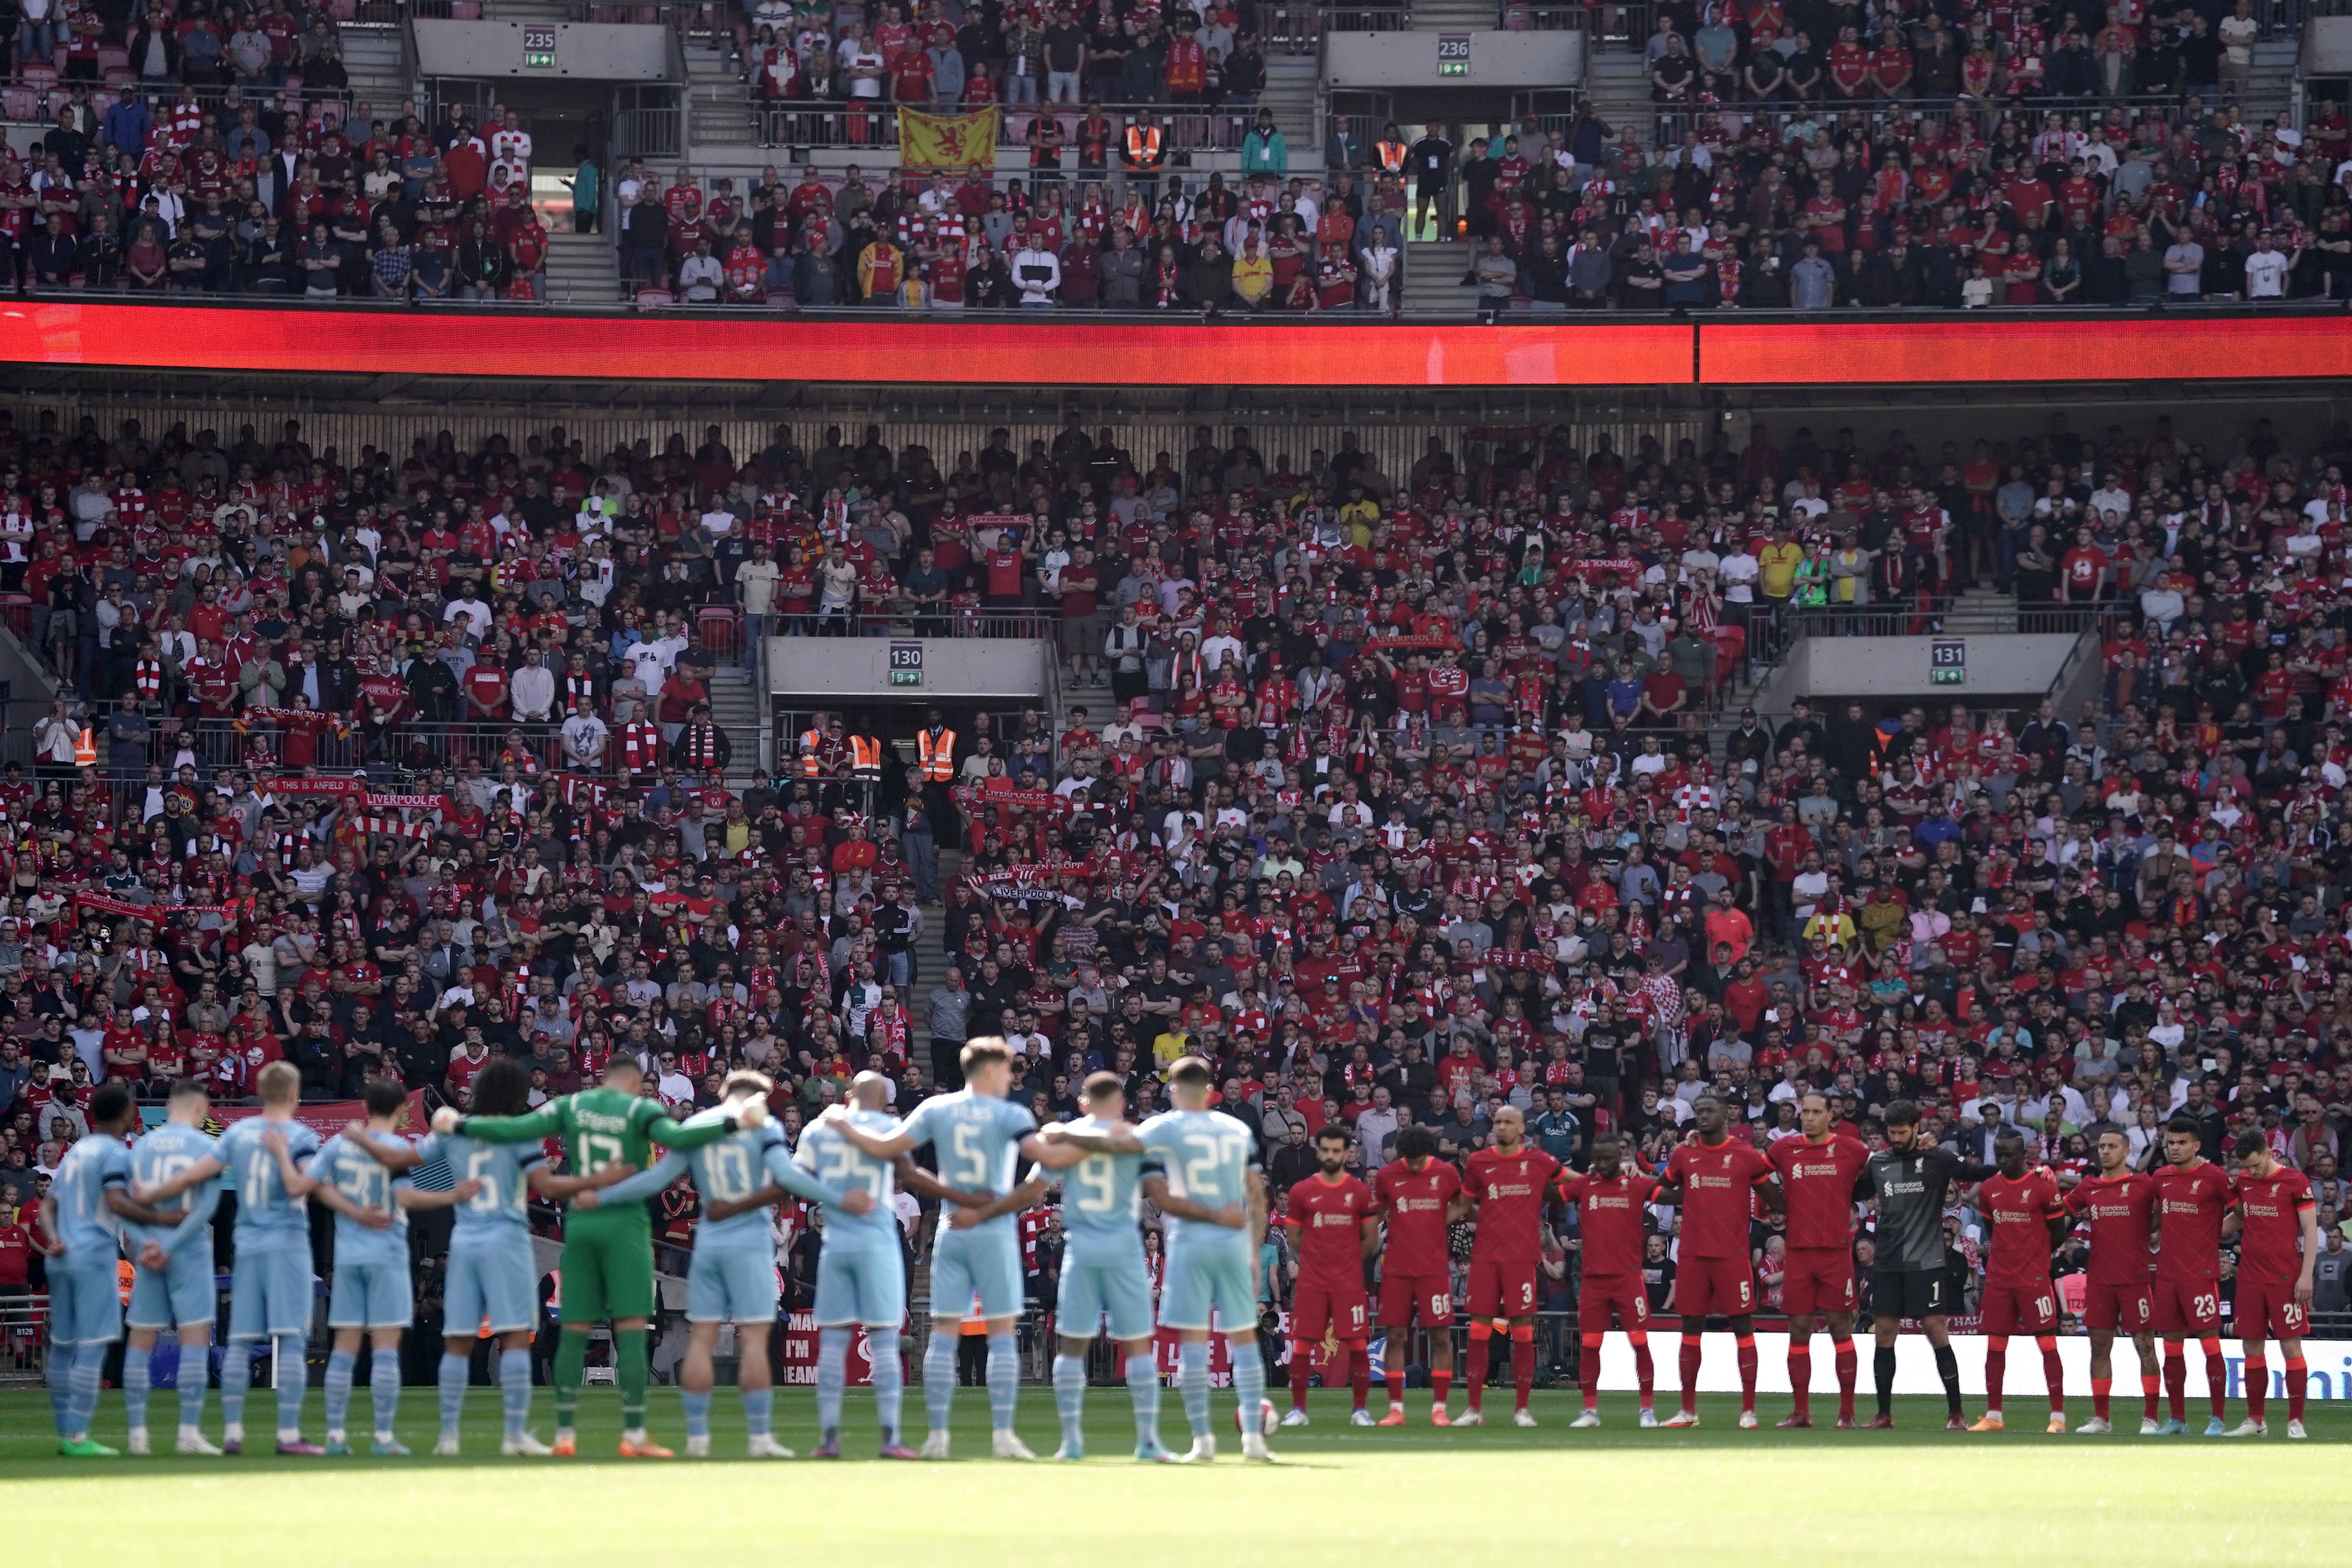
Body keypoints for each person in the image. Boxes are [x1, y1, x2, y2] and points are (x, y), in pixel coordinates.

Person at [431, 1053, 768, 1456]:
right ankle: (634, 1434)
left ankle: (565, 1434)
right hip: (625, 1228)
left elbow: (519, 1125)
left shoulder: (574, 1104)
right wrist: (734, 1120)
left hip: (582, 1222)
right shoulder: (640, 1108)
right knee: (631, 1331)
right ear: (633, 1082)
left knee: (573, 1331)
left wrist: (460, 1122)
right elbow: (678, 1140)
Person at [578, 1070, 873, 1457]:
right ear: (758, 1098)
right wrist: (838, 1198)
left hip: (710, 1241)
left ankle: (698, 1437)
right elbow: (787, 1177)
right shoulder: (764, 1126)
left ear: (722, 1091)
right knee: (753, 1340)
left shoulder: (698, 1124)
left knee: (702, 1339)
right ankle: (759, 1437)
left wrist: (603, 1196)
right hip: (750, 1242)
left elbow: (659, 1177)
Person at [817, 1036, 1081, 1460]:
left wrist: (844, 1124)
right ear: (992, 1070)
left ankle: (937, 1436)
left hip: (950, 1226)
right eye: (1009, 1069)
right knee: (999, 1335)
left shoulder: (936, 1109)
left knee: (943, 1333)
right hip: (993, 1227)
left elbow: (888, 1150)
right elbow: (1039, 1155)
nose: (1013, 1078)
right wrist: (1064, 1136)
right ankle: (1003, 1435)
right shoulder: (1009, 1113)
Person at [347, 1058, 621, 1455]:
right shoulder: (520, 1134)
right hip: (507, 1241)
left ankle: (449, 1438)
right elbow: (547, 1185)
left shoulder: (453, 1131)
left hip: (466, 1241)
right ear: (515, 1095)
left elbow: (398, 1160)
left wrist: (362, 1138)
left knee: (458, 1341)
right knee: (514, 1338)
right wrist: (599, 1178)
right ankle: (514, 1435)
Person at [135, 1061, 324, 1454]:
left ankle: (233, 1432)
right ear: (294, 1095)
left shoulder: (237, 1134)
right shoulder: (300, 1135)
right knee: (290, 1337)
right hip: (287, 1243)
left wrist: (149, 1197)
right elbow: (303, 1185)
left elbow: (194, 1175)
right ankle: (288, 1434)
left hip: (249, 1244)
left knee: (239, 1339)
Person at [293, 1078, 482, 1455]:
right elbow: (404, 1196)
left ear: (365, 1108)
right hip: (389, 1254)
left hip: (349, 1256)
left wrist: (347, 1210)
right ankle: (382, 1438)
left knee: (345, 1348)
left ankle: (335, 1436)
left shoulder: (338, 1144)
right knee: (384, 1348)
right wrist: (451, 1195)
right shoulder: (398, 1147)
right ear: (401, 1111)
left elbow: (309, 1184)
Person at [1032, 1071, 1173, 1460]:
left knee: (1072, 1347)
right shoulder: (1134, 1139)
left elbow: (1033, 1186)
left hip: (1082, 1248)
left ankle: (1071, 1442)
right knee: (1139, 1346)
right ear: (1122, 1102)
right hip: (1123, 1249)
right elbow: (1159, 1193)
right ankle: (1148, 1442)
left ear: (1083, 1102)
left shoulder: (1067, 1136)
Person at [39, 1080, 181, 1456]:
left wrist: (54, 1238)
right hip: (94, 1255)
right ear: (125, 1114)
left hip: (62, 1256)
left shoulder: (76, 1153)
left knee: (63, 1347)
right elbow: (117, 1202)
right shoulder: (115, 1154)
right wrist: (162, 1223)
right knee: (93, 1345)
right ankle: (77, 1437)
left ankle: (65, 1434)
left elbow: (47, 1207)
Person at [1857, 1099, 1988, 1430]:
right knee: (1884, 1335)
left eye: (1902, 1132)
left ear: (1917, 1128)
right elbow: (1853, 1190)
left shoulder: (1938, 1158)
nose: (1896, 1138)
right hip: (1887, 1261)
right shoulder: (1879, 1162)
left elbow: (1975, 1172)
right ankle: (1884, 1414)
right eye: (1891, 1132)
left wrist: (2022, 1169)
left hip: (1926, 1260)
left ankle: (1956, 1413)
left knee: (1935, 1329)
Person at [1653, 1094, 1778, 1428]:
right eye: (1699, 1111)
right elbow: (1656, 1191)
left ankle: (1749, 1411)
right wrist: (1687, 1193)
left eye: (1710, 1110)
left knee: (1742, 1327)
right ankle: (1687, 1410)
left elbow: (1774, 1200)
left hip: (1732, 1255)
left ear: (1727, 1116)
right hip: (1693, 1255)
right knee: (1690, 1327)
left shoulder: (1746, 1155)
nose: (1703, 1115)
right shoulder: (1683, 1153)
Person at [122, 1077, 225, 1456]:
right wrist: (174, 1244)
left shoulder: (143, 1145)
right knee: (195, 1339)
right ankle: (188, 1433)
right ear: (201, 1108)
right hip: (190, 1250)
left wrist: (148, 1243)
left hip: (148, 1251)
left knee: (141, 1340)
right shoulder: (204, 1146)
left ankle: (137, 1435)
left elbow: (126, 1203)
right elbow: (207, 1207)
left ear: (167, 1107)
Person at [1764, 1091, 1870, 1428]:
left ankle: (1848, 1413)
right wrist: (1778, 1203)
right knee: (1798, 1331)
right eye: (1804, 1112)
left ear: (1830, 1116)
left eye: (1815, 1112)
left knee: (1841, 1328)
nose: (1808, 1118)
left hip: (1836, 1254)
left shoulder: (1851, 1149)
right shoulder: (1784, 1149)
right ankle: (1801, 1412)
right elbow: (1754, 1171)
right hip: (1798, 1253)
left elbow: (1883, 1167)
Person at [1456, 1104, 1566, 1427]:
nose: (1501, 1127)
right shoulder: (1479, 1162)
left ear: (1521, 1129)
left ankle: (1522, 1409)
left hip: (1521, 1258)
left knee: (1521, 1333)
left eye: (1508, 1122)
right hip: (1486, 1258)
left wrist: (1613, 1173)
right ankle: (1474, 1409)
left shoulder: (1538, 1161)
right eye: (1496, 1122)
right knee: (1478, 1331)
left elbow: (1571, 1180)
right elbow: (1464, 1206)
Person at [1967, 1132, 2069, 1434]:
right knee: (1995, 1345)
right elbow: (1992, 1228)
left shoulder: (2043, 1189)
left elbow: (2058, 1232)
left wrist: (2036, 1257)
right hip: (1999, 1278)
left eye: (2009, 1155)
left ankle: (2058, 1418)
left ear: (2024, 1153)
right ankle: (1994, 1415)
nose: (2002, 1160)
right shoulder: (1989, 1188)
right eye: (1998, 1154)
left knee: (2047, 1344)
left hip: (2033, 1277)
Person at [2063, 1127, 2163, 1434]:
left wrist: (2151, 1229)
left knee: (2145, 1347)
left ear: (2126, 1152)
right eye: (2101, 1147)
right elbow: (2060, 1215)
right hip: (2100, 1281)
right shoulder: (2088, 1187)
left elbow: (2164, 1211)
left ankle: (2150, 1417)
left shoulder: (2144, 1184)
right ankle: (2102, 1419)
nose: (2104, 1151)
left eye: (2111, 1147)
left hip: (2135, 1279)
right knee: (2098, 1349)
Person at [1277, 1124, 1377, 1426]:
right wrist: (1316, 1261)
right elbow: (1294, 1236)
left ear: (1347, 1153)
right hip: (1312, 1281)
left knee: (1358, 1344)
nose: (1331, 1155)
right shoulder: (1302, 1191)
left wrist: (1346, 1263)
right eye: (1326, 1150)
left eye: (1337, 1151)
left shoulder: (1359, 1192)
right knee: (1303, 1344)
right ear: (1317, 1151)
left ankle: (1360, 1410)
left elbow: (1370, 1239)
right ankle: (1299, 1410)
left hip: (1348, 1282)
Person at [1557, 1135, 1658, 1428]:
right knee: (1590, 1344)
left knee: (1639, 1342)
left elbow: (1671, 1188)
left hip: (1628, 1277)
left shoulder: (1637, 1183)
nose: (1602, 1165)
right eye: (1597, 1159)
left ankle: (1647, 1410)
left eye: (1608, 1159)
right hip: (1592, 1279)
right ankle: (1590, 1411)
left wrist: (1642, 1170)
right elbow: (1553, 1191)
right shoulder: (1585, 1184)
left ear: (1620, 1156)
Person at [1370, 1123, 1464, 1424]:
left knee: (1440, 1336)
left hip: (1434, 1269)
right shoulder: (1387, 1176)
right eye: (1408, 1161)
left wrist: (1440, 1221)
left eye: (1418, 1160)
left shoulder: (1447, 1173)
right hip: (1396, 1269)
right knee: (1395, 1335)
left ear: (1428, 1154)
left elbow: (1463, 1203)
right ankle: (1396, 1408)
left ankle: (1440, 1408)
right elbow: (1376, 1214)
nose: (1412, 1166)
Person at [2148, 1113, 2235, 1435]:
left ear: (2196, 1146)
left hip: (2200, 1275)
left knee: (2210, 1344)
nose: (2175, 1148)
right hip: (2168, 1275)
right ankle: (2178, 1420)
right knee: (2171, 1346)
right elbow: (2156, 1217)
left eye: (2182, 1143)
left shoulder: (2214, 1177)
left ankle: (2217, 1418)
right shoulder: (2161, 1177)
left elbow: (2241, 1210)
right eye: (2170, 1143)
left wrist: (2220, 1233)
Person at [2228, 1130, 2317, 1439]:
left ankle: (2296, 1422)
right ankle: (2256, 1420)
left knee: (2290, 1345)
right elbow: (2238, 1220)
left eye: (2256, 1165)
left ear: (2268, 1153)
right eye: (2247, 1167)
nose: (2252, 1172)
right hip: (2251, 1277)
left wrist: (2306, 1275)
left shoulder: (2295, 1181)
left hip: (2286, 1278)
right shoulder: (2244, 1181)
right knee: (2251, 1345)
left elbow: (2310, 1230)